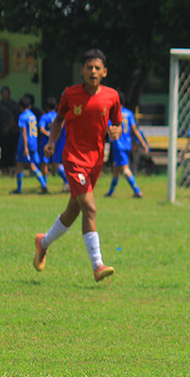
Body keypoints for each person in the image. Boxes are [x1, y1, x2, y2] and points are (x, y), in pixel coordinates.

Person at [33, 49, 122, 282]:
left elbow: (117, 125)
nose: (93, 71)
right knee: (90, 208)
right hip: (73, 158)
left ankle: (43, 243)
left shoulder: (112, 96)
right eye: (88, 67)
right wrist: (52, 142)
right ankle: (98, 265)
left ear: (104, 72)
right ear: (82, 70)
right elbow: (59, 119)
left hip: (96, 161)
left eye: (97, 67)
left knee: (73, 212)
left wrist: (115, 131)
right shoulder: (70, 94)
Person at [105, 102, 149, 198]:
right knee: (116, 168)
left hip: (118, 144)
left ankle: (137, 191)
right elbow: (135, 130)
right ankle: (110, 192)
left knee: (125, 169)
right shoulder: (129, 113)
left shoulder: (114, 114)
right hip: (127, 144)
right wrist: (143, 143)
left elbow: (109, 128)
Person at [12, 95, 48, 194]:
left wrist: (25, 147)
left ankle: (19, 188)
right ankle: (44, 184)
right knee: (32, 164)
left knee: (20, 165)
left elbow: (24, 131)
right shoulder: (33, 115)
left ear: (20, 106)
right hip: (34, 143)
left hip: (25, 144)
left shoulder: (22, 116)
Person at [38, 96, 69, 192]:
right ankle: (67, 181)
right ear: (55, 106)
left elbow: (42, 129)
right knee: (58, 164)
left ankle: (44, 185)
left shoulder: (45, 117)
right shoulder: (58, 116)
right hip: (59, 143)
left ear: (46, 107)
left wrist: (50, 135)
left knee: (45, 164)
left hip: (47, 144)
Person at [0, 86, 18, 171]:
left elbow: (16, 118)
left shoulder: (14, 105)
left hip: (13, 132)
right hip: (3, 133)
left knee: (12, 151)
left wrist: (10, 126)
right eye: (4, 93)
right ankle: (4, 169)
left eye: (7, 93)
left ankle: (11, 168)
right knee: (4, 151)